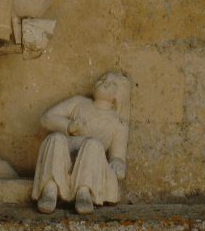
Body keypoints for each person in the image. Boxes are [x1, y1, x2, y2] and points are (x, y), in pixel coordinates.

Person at [32, 71, 131, 214]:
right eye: (102, 79)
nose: (104, 82)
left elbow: (118, 158)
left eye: (111, 83)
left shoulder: (119, 123)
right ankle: (50, 188)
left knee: (93, 143)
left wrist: (117, 165)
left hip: (93, 160)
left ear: (118, 96)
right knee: (55, 138)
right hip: (67, 151)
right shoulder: (79, 103)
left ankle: (84, 191)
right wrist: (68, 126)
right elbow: (47, 118)